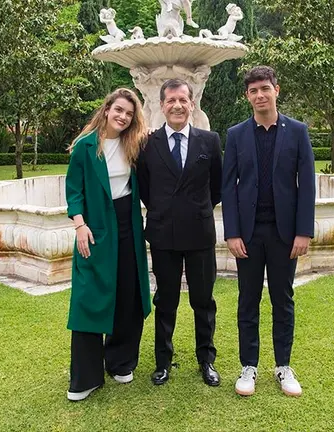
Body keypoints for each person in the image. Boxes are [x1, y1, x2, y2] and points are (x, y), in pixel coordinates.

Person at [221, 66, 316, 397]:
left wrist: (303, 231)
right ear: (247, 96)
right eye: (253, 91)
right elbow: (228, 188)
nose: (260, 95)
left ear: (277, 89)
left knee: (282, 298)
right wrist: (232, 233)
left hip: (284, 234)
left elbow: (307, 186)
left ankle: (283, 366)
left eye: (265, 88)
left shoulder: (298, 132)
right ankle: (249, 366)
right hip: (247, 234)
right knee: (248, 299)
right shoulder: (235, 135)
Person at [64, 88, 152, 401]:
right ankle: (86, 377)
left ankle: (120, 361)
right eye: (118, 110)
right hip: (95, 226)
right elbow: (74, 190)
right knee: (90, 297)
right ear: (106, 109)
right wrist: (80, 225)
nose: (123, 117)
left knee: (128, 292)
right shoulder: (85, 147)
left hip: (127, 223)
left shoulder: (135, 144)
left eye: (129, 113)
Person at [137, 79, 223, 387]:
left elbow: (217, 186)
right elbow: (145, 188)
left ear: (192, 104)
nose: (177, 105)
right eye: (171, 100)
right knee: (166, 300)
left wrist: (196, 208)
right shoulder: (147, 144)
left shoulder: (209, 141)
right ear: (162, 105)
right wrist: (164, 209)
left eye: (183, 100)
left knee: (204, 300)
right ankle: (163, 361)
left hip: (200, 233)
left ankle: (206, 360)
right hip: (163, 234)